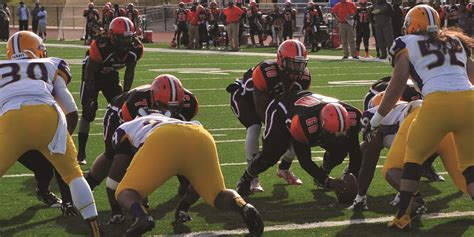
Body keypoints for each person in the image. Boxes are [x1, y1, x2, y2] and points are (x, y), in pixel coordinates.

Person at [364, 5, 474, 229]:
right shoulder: (456, 41)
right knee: (470, 166)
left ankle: (403, 217)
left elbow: (395, 87)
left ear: (411, 25)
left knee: (412, 159)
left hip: (437, 104)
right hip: (469, 103)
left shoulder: (406, 44)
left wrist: (376, 120)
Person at [0, 31, 102, 235]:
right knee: (74, 175)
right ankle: (95, 228)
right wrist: (62, 139)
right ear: (38, 50)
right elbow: (71, 110)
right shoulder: (51, 64)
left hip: (11, 119)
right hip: (47, 115)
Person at [113, 112, 264, 236]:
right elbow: (196, 184)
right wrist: (183, 207)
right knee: (217, 194)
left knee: (124, 191)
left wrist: (131, 205)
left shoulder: (124, 127)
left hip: (164, 138)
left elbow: (119, 166)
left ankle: (142, 217)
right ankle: (244, 207)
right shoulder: (165, 118)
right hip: (200, 134)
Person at [85, 75, 198, 224]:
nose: (168, 110)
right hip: (120, 117)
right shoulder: (135, 102)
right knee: (115, 156)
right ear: (153, 96)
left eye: (174, 107)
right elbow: (133, 137)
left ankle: (183, 185)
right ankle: (88, 187)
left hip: (156, 127)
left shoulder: (190, 102)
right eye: (164, 106)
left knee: (176, 146)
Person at [236, 90, 362, 197]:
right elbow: (305, 161)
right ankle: (246, 178)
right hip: (281, 109)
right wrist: (328, 182)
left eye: (341, 132)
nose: (336, 137)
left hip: (310, 108)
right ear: (322, 126)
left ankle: (324, 171)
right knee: (271, 155)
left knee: (341, 147)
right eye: (332, 133)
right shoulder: (304, 124)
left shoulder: (353, 115)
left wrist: (354, 180)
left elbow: (355, 152)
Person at [226, 40, 311, 193]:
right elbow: (261, 109)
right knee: (255, 127)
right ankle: (252, 176)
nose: (297, 69)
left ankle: (284, 169)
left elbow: (296, 105)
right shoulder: (266, 71)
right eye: (292, 63)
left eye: (300, 64)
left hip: (272, 103)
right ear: (280, 59)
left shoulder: (304, 78)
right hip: (245, 98)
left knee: (296, 130)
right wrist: (277, 130)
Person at [349, 92, 451, 210]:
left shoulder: (372, 116)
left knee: (389, 170)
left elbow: (369, 161)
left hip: (417, 123)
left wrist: (360, 195)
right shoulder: (401, 109)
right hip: (441, 121)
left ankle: (415, 201)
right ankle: (407, 196)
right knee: (462, 171)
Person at [77, 17, 143, 165]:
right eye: (122, 38)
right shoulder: (101, 46)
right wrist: (91, 95)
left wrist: (126, 94)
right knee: (88, 111)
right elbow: (89, 70)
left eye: (128, 38)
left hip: (111, 75)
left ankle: (122, 151)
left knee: (122, 111)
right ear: (112, 36)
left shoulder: (135, 49)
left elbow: (129, 73)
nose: (126, 42)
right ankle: (81, 153)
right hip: (92, 75)